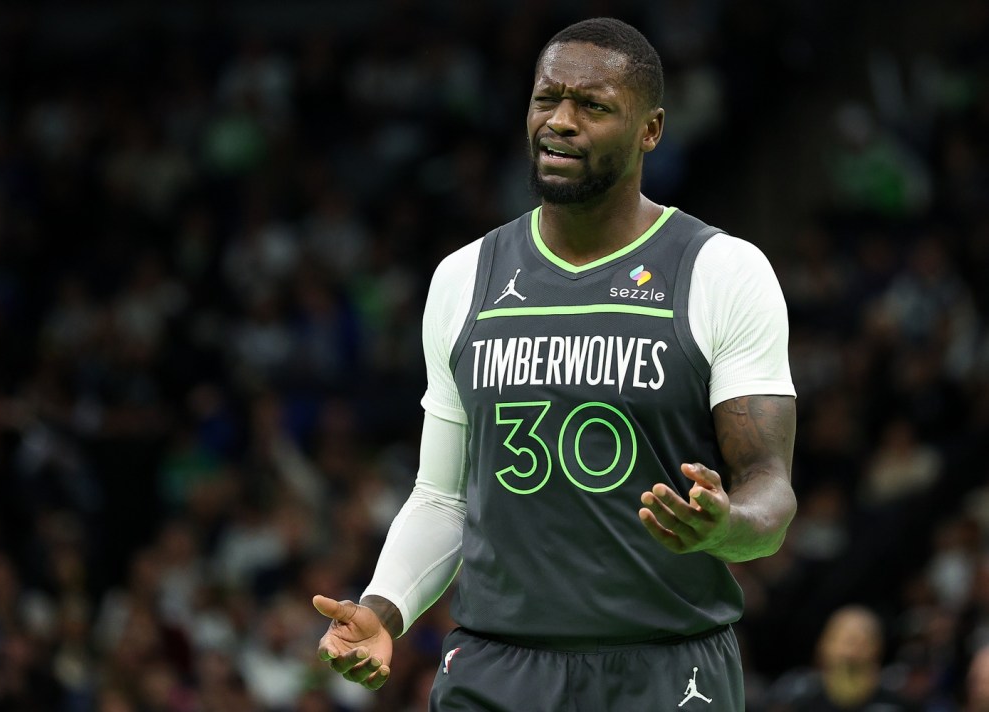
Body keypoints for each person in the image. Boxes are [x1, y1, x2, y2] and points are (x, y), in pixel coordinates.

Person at [313, 16, 797, 711]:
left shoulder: (722, 270)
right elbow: (445, 494)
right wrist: (384, 610)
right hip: (494, 667)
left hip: (665, 670)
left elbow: (770, 493)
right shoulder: (465, 277)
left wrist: (728, 528)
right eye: (547, 99)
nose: (560, 122)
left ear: (651, 130)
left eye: (594, 106)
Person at [767, 605, 916, 711]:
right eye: (845, 641)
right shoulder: (795, 695)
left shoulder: (899, 699)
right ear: (823, 645)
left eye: (862, 642)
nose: (851, 652)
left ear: (878, 648)